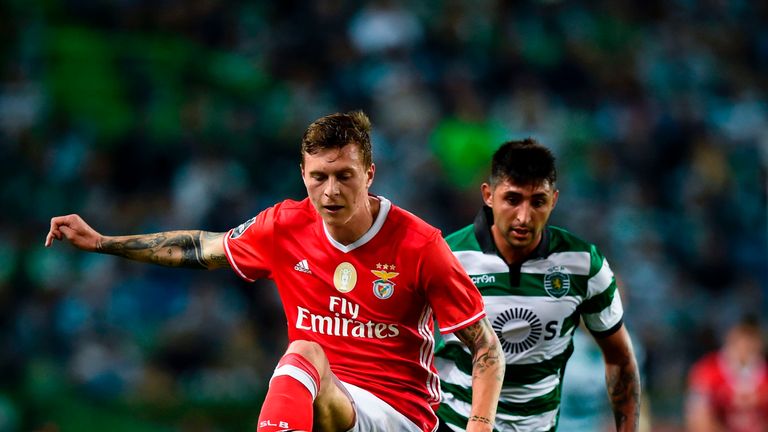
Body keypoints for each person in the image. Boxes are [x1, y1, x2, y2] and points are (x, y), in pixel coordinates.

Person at [45, 111, 505, 432]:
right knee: (303, 361)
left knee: (302, 352)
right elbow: (201, 248)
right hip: (321, 408)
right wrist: (103, 242)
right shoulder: (283, 225)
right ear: (302, 173)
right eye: (318, 177)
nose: (330, 191)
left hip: (397, 415)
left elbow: (487, 348)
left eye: (344, 175)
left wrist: (478, 429)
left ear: (370, 174)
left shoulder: (420, 244)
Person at [434, 138, 641, 431]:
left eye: (538, 201)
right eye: (512, 199)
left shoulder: (584, 265)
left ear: (554, 200)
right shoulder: (446, 257)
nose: (524, 217)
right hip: (454, 424)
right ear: (488, 195)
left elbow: (620, 359)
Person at [685, 315, 768, 432]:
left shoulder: (765, 375)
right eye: (741, 339)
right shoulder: (707, 371)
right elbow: (697, 419)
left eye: (750, 338)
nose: (745, 345)